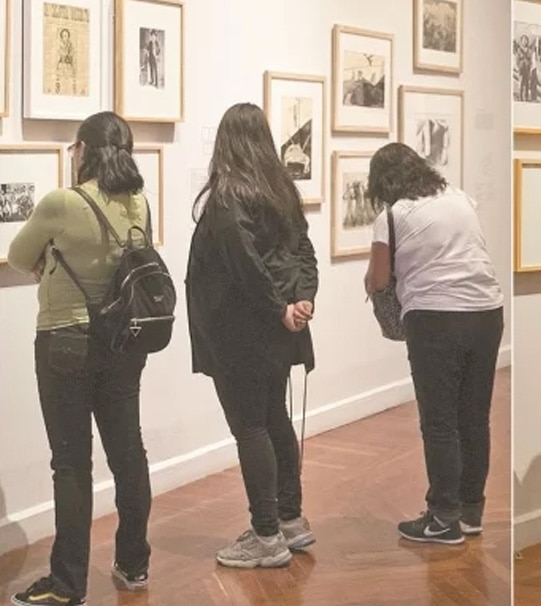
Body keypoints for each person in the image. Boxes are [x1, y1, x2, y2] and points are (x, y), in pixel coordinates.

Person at [7, 111, 155, 606]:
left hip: (64, 342)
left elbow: (15, 255)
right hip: (122, 343)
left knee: (71, 464)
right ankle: (134, 562)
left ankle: (68, 584)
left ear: (86, 150)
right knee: (129, 453)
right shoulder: (138, 203)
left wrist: (49, 263)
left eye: (75, 147)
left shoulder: (62, 202)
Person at [186, 102, 318, 569]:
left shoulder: (227, 195)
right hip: (276, 329)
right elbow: (303, 251)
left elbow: (245, 267)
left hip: (241, 332)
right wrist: (302, 300)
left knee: (252, 426)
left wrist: (284, 307)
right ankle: (290, 519)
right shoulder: (280, 187)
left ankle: (265, 535)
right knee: (272, 418)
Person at [364, 142, 504, 546]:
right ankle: (471, 510)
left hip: (436, 317)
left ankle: (443, 518)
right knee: (474, 418)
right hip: (486, 311)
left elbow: (378, 280)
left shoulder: (392, 215)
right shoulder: (458, 197)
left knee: (439, 421)